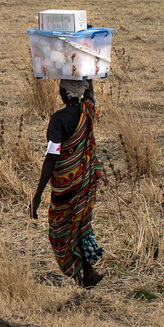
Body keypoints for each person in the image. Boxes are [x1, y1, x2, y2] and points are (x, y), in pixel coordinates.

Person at [30, 80, 105, 288]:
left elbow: (51, 158)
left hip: (66, 186)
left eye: (61, 88)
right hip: (86, 182)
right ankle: (87, 273)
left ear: (63, 92)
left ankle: (81, 273)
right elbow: (90, 92)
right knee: (80, 223)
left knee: (59, 230)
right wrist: (86, 71)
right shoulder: (87, 110)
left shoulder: (59, 120)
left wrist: (37, 195)